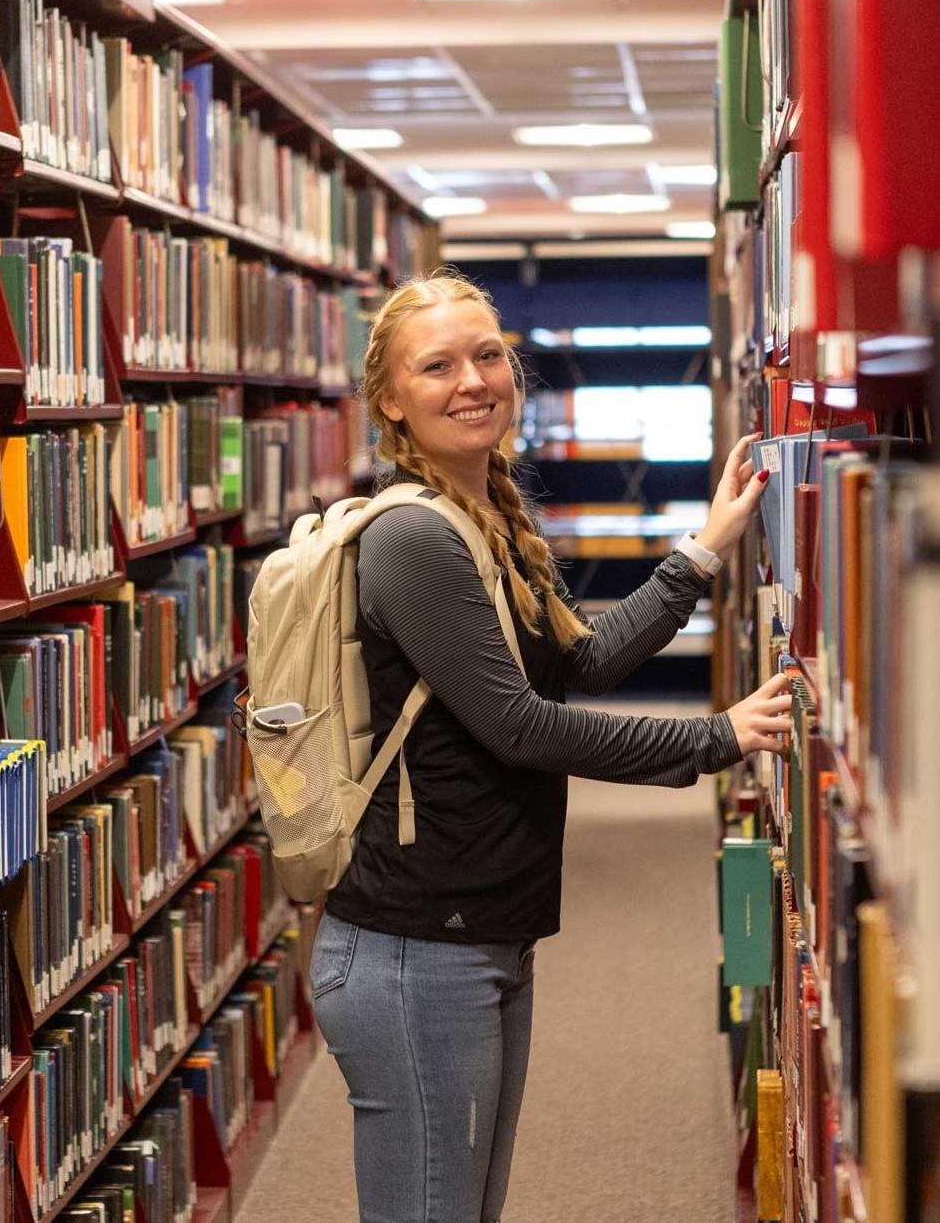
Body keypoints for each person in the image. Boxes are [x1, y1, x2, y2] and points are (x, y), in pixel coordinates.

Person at [309, 270, 790, 1223]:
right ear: (391, 402)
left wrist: (700, 552)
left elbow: (574, 666)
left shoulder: (481, 519)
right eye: (436, 366)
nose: (472, 380)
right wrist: (714, 738)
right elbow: (521, 728)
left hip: (475, 933)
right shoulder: (415, 539)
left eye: (488, 355)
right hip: (414, 948)